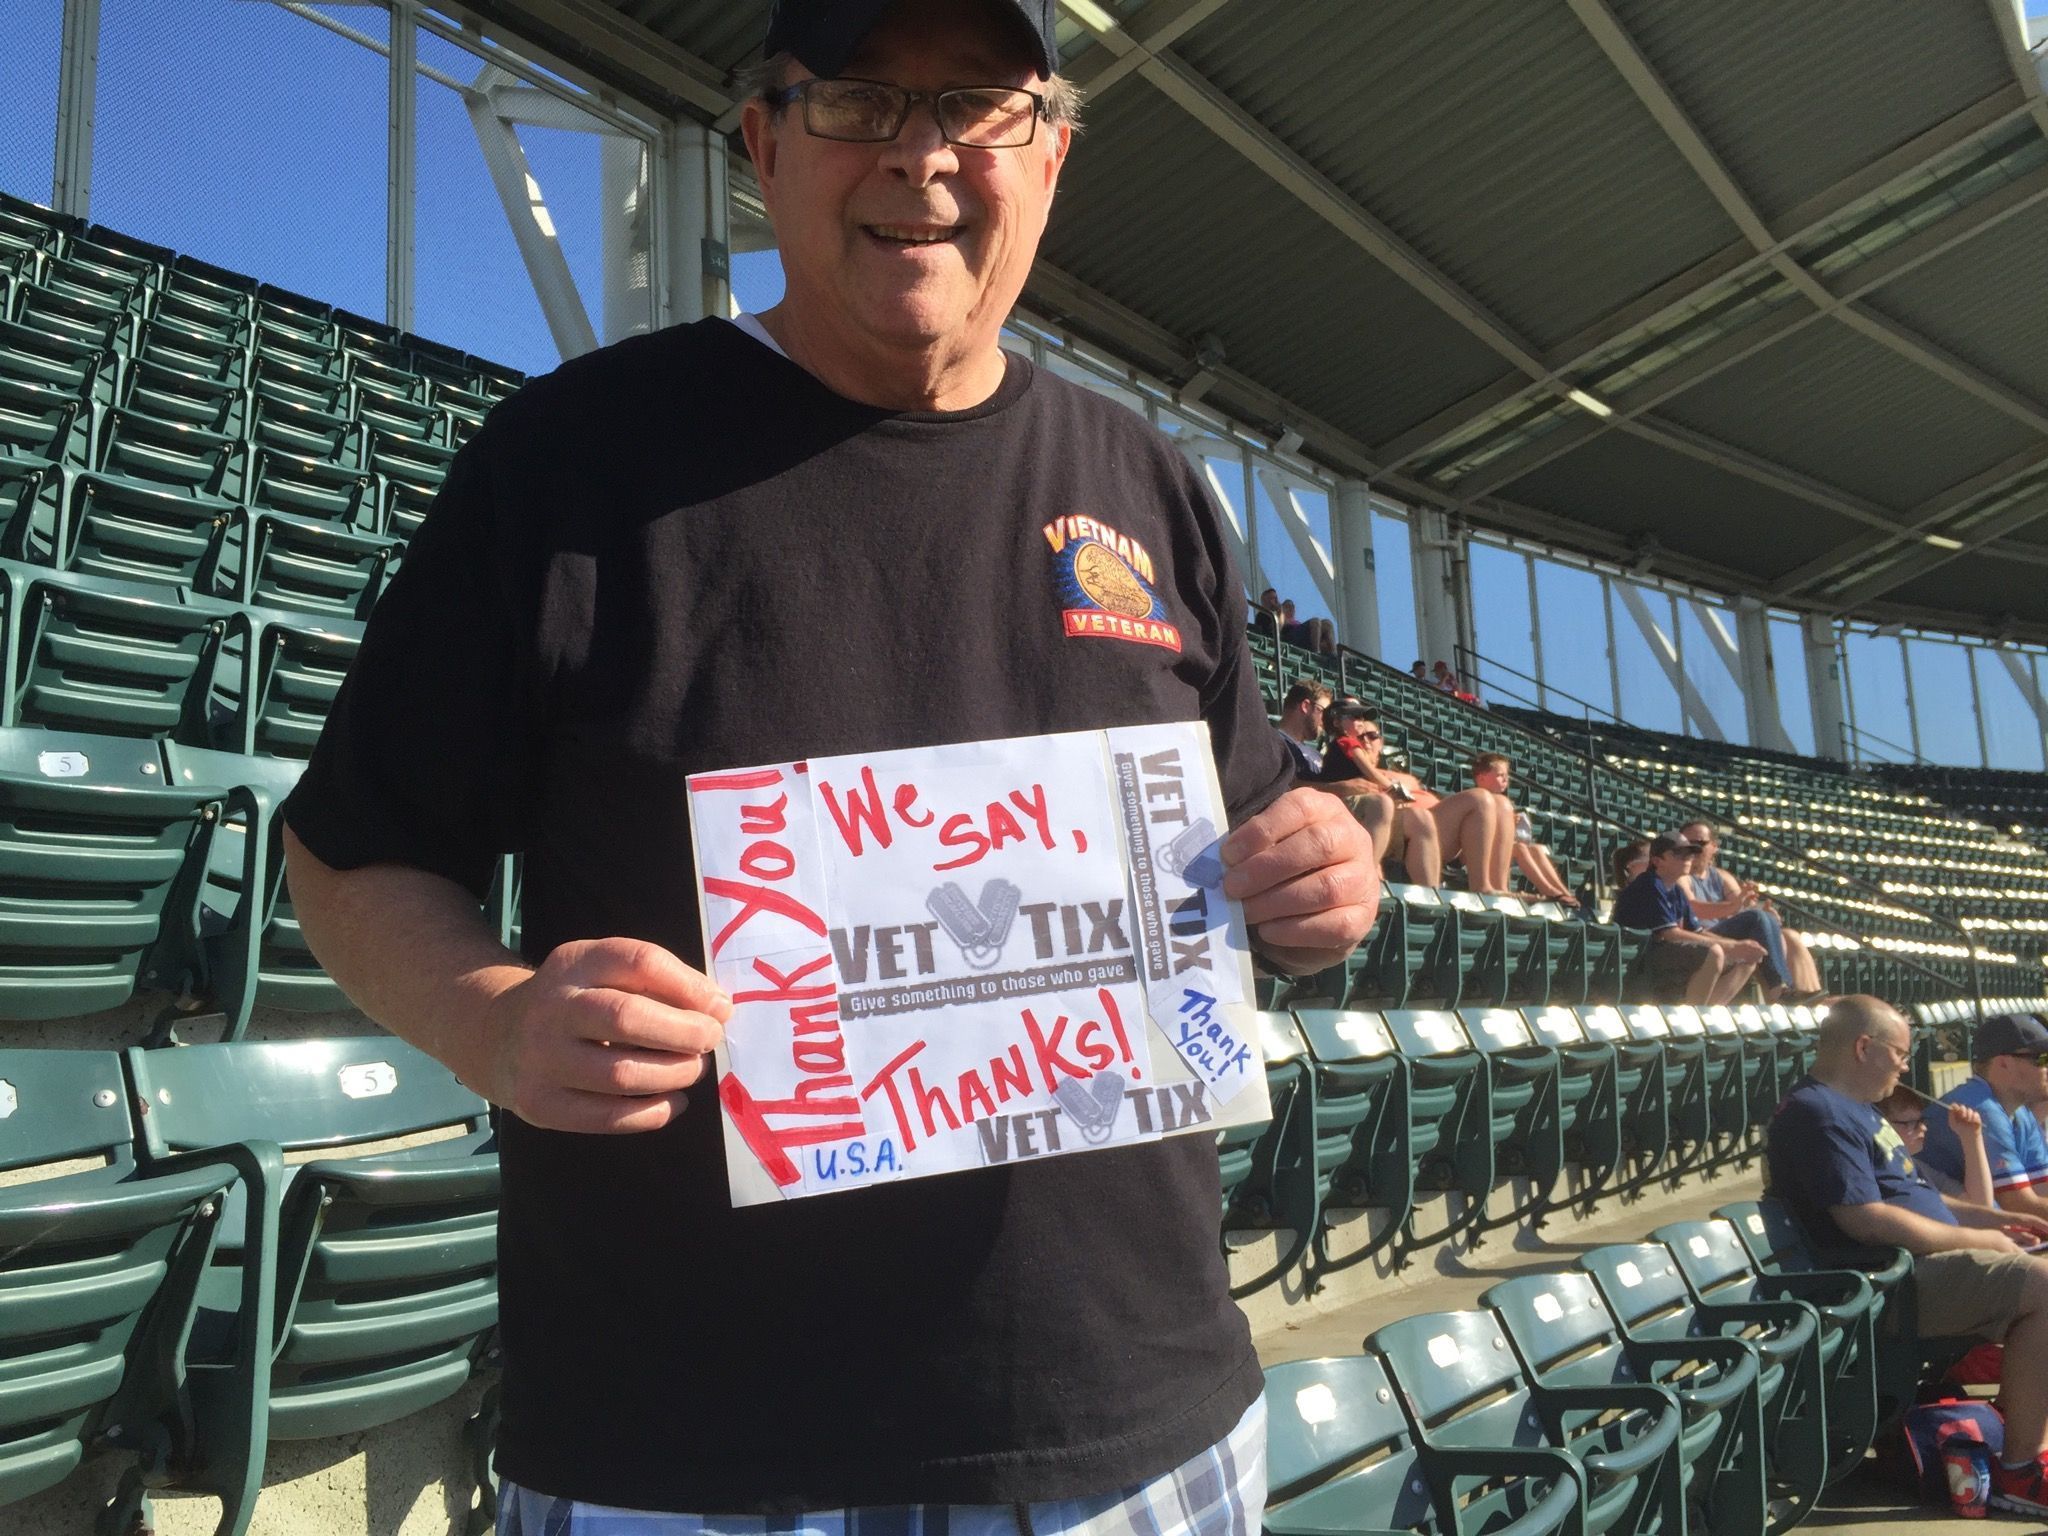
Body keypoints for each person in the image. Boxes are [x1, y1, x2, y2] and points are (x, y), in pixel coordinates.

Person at [278, 0, 1382, 1526]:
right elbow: (351, 855)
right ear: (764, 143)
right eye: (861, 100)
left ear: (1050, 156)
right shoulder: (571, 460)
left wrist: (1323, 880)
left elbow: (1260, 840)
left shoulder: (1150, 486)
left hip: (1132, 1433)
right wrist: (497, 1020)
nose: (920, 155)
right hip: (686, 1458)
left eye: (980, 106)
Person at [1766, 996, 2048, 1515]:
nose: (1904, 1063)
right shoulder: (1819, 1113)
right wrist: (1982, 1241)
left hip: (1913, 1271)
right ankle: (2017, 1471)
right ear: (1863, 1047)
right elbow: (1867, 1221)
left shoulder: (1854, 1110)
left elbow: (1919, 1198)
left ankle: (2017, 1434)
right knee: (2045, 1288)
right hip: (1884, 1287)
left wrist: (1993, 1221)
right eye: (1899, 1052)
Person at [1917, 1014, 2048, 1220]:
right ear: (2004, 1063)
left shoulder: (2020, 1112)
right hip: (1938, 1232)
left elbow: (2042, 1191)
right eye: (2041, 1058)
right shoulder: (1978, 1106)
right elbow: (2019, 1205)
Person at [1611, 832, 1765, 1005]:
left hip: (1660, 956)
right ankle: (1694, 1016)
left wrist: (1739, 948)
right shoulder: (1650, 885)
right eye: (1678, 853)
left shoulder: (1675, 889)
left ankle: (1709, 1012)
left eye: (1690, 853)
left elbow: (1697, 931)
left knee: (1747, 958)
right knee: (1713, 952)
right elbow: (1671, 934)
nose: (1688, 857)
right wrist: (1731, 945)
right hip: (1638, 962)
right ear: (1656, 861)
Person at [1677, 820, 1822, 1000]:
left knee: (1790, 935)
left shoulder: (1722, 876)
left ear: (1714, 847)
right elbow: (1693, 908)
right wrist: (1736, 907)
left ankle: (1807, 994)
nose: (1694, 849)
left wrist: (1768, 916)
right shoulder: (1681, 876)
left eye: (1701, 843)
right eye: (1689, 843)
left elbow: (1744, 906)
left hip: (1724, 933)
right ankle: (1778, 991)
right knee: (1757, 918)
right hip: (1702, 935)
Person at [1311, 700, 1440, 887]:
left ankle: (1430, 892)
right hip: (1338, 803)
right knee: (1382, 804)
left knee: (1421, 817)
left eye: (1362, 717)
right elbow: (1372, 773)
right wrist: (1395, 788)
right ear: (1337, 722)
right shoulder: (1347, 742)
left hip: (1353, 803)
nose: (1360, 721)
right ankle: (1367, 875)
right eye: (1354, 717)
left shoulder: (1347, 744)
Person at [1471, 752, 1578, 908]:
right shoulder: (1476, 799)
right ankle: (1550, 892)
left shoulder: (1503, 804)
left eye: (1507, 775)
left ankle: (1563, 893)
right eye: (1500, 775)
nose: (1506, 779)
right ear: (1481, 778)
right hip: (1478, 851)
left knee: (1535, 849)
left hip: (1499, 851)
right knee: (1520, 848)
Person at [1882, 1082, 1994, 1206]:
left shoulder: (1920, 1169)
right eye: (1912, 1123)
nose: (1923, 1128)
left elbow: (1979, 1206)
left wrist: (1972, 1138)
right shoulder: (1878, 1173)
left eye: (1922, 1121)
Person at [1275, 679, 1329, 779]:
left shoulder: (1317, 755)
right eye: (1324, 712)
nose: (1325, 720)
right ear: (1305, 706)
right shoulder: (1273, 745)